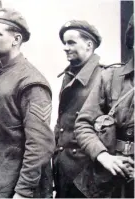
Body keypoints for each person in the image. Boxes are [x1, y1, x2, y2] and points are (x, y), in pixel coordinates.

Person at [0, 8, 55, 198]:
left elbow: (39, 145)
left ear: (16, 39)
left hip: (14, 191)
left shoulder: (31, 82)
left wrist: (23, 192)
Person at [74, 14, 134, 198]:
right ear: (132, 40)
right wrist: (103, 156)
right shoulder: (110, 78)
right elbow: (83, 124)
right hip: (108, 181)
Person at [52, 20, 106, 198]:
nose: (65, 48)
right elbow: (62, 124)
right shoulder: (69, 75)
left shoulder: (104, 76)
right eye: (64, 43)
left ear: (89, 45)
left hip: (88, 174)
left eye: (71, 42)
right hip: (64, 170)